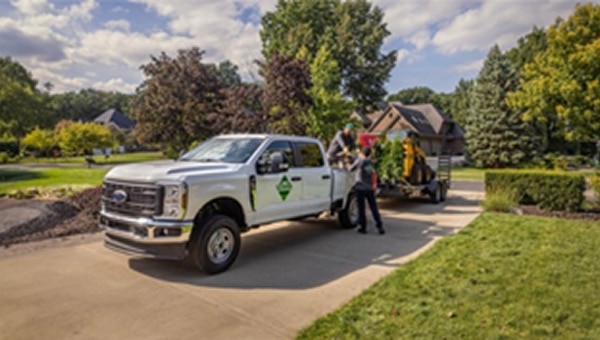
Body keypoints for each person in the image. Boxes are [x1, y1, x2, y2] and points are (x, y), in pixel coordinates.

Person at [349, 147, 384, 235]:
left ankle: (363, 227)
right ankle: (380, 226)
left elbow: (350, 168)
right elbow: (372, 173)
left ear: (362, 153)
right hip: (369, 188)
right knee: (374, 208)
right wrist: (374, 184)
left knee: (361, 208)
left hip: (360, 187)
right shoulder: (370, 162)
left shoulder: (360, 161)